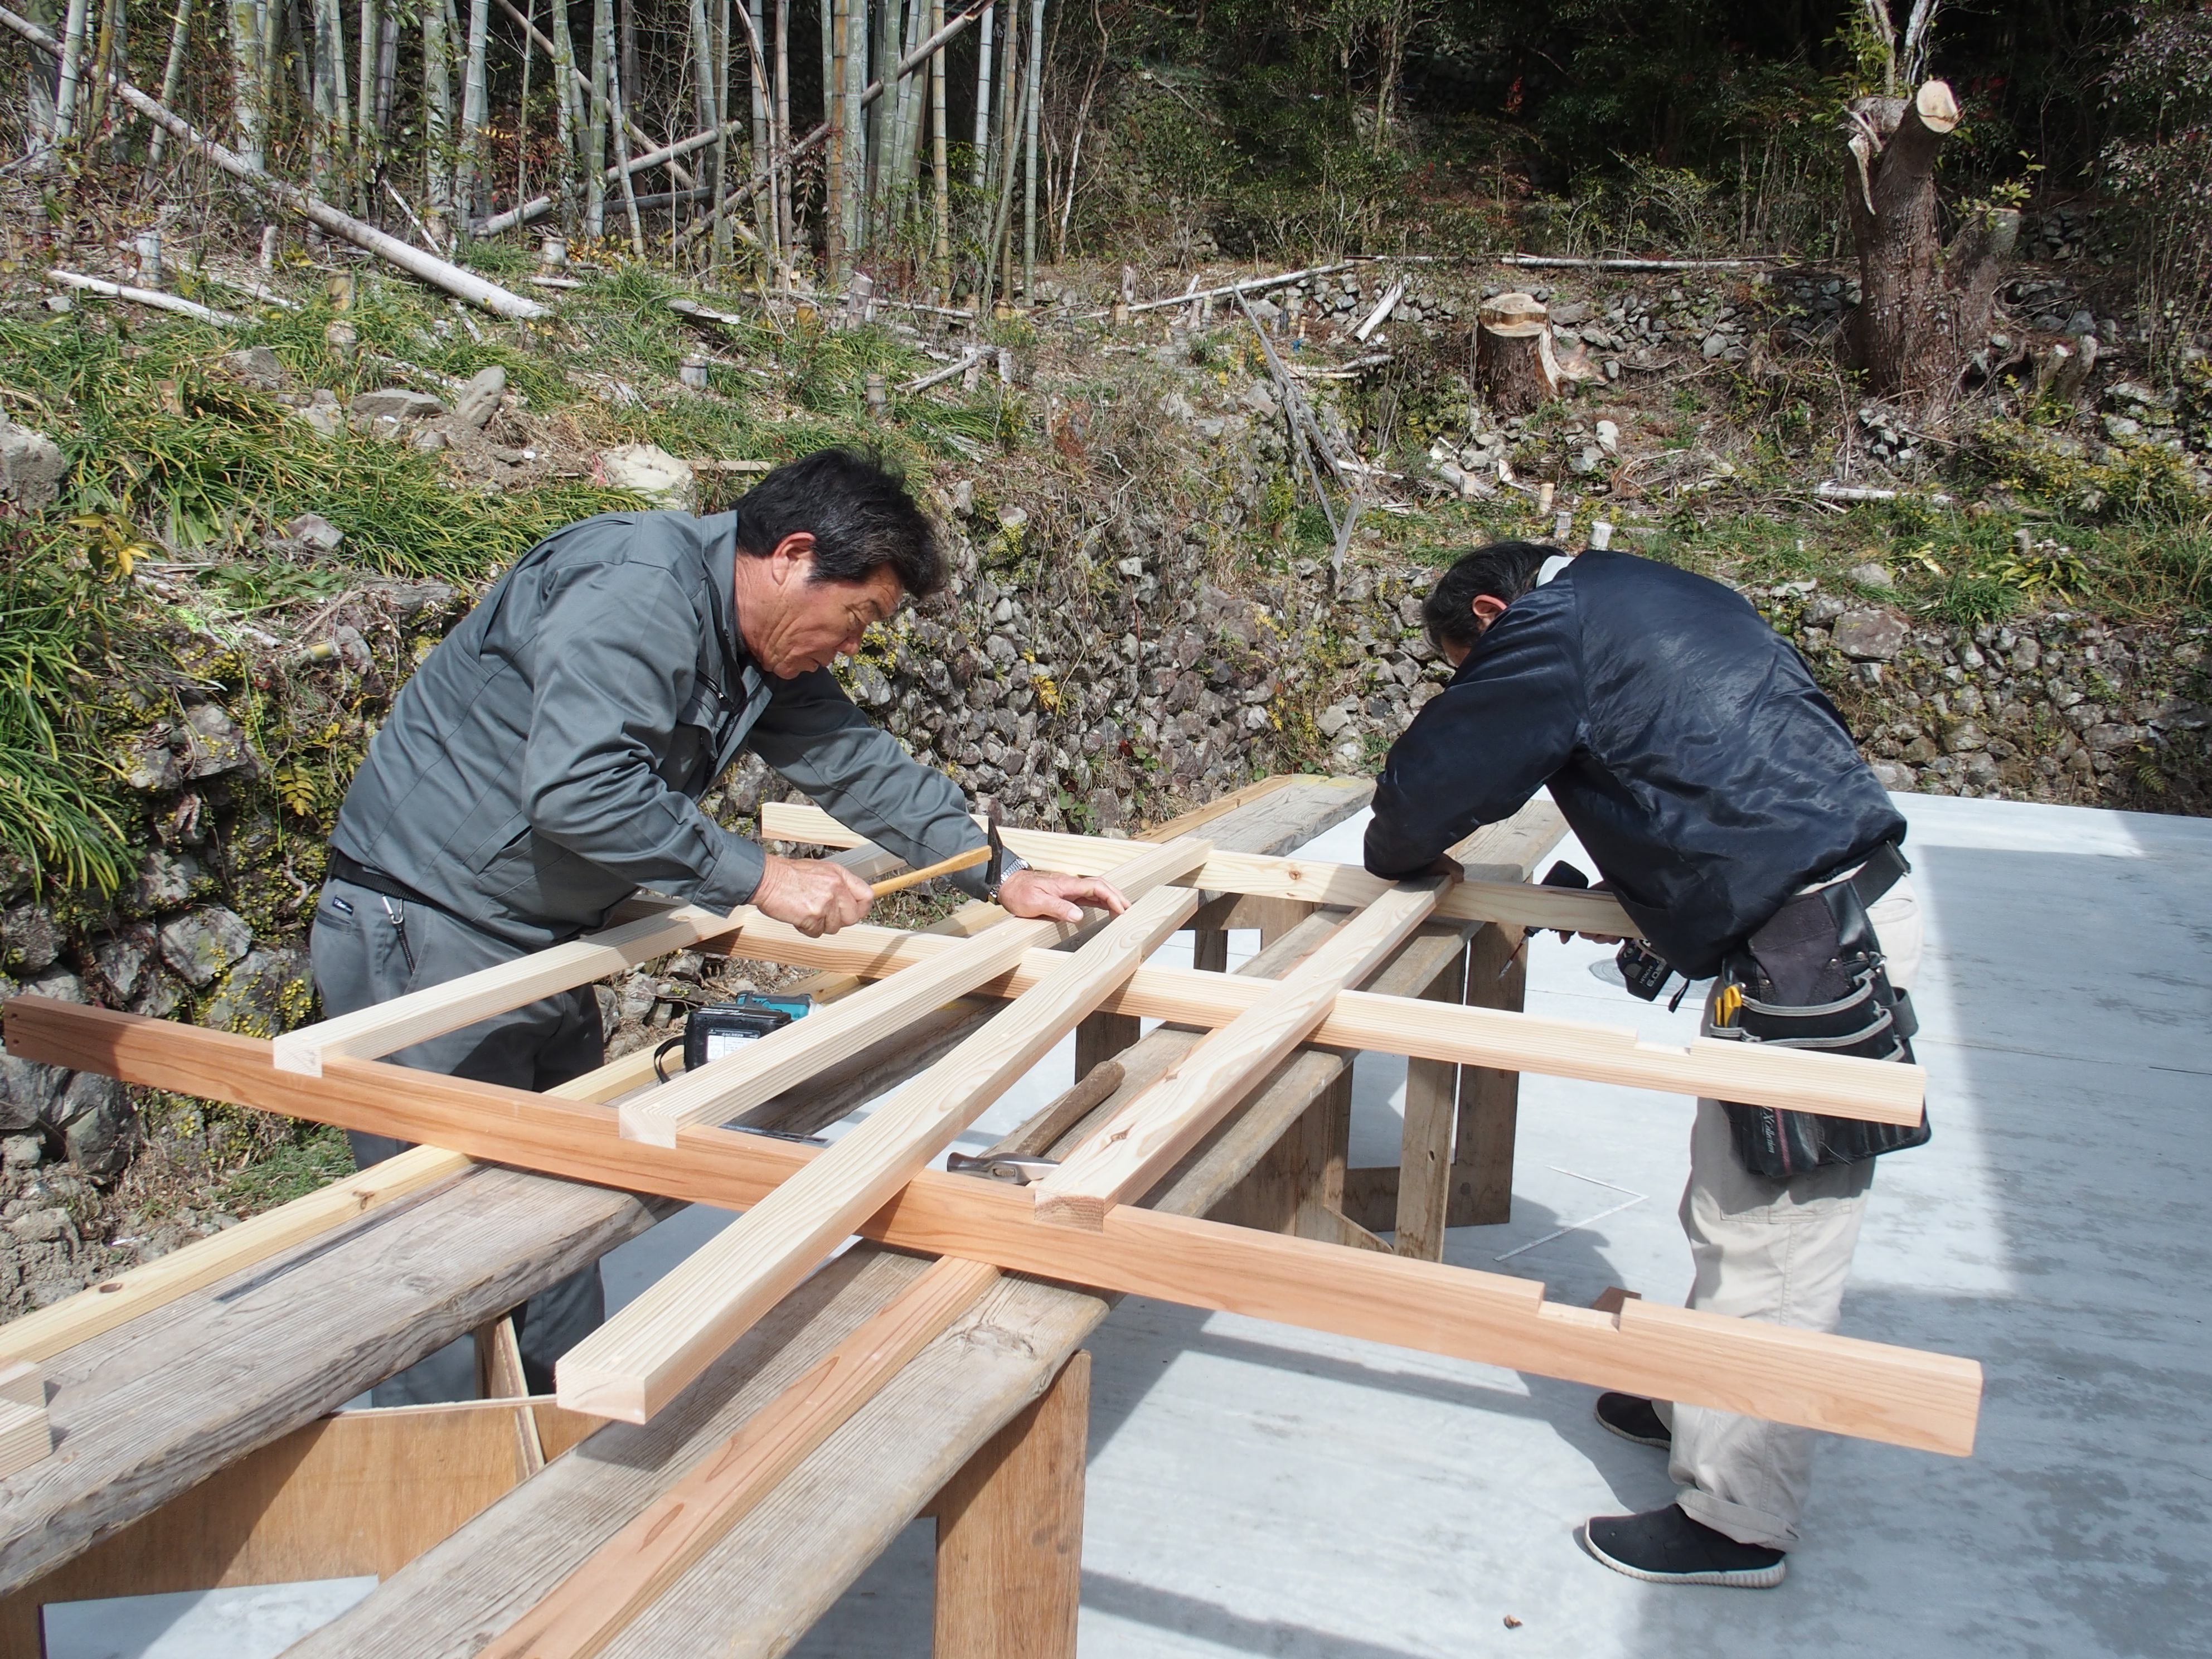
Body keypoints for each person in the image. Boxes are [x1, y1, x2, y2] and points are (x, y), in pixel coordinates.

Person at [309, 448, 1123, 1397]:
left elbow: (855, 761)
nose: (854, 644)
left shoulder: (756, 645)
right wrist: (760, 877)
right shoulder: (637, 590)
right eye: (859, 615)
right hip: (425, 929)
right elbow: (578, 791)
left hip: (539, 940)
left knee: (559, 1227)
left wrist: (1003, 870)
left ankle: (553, 1465)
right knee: (442, 1259)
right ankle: (433, 1513)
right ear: (792, 555)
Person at [1362, 540, 1925, 1589]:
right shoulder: (1656, 592)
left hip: (1811, 940)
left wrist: (1398, 853)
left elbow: (1441, 776)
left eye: (1464, 658)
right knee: (1731, 1197)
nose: (1471, 676)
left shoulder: (1551, 625)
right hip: (1819, 900)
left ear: (1493, 611)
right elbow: (1697, 767)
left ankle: (1736, 1523)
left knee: (1776, 1236)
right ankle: (1694, 1389)